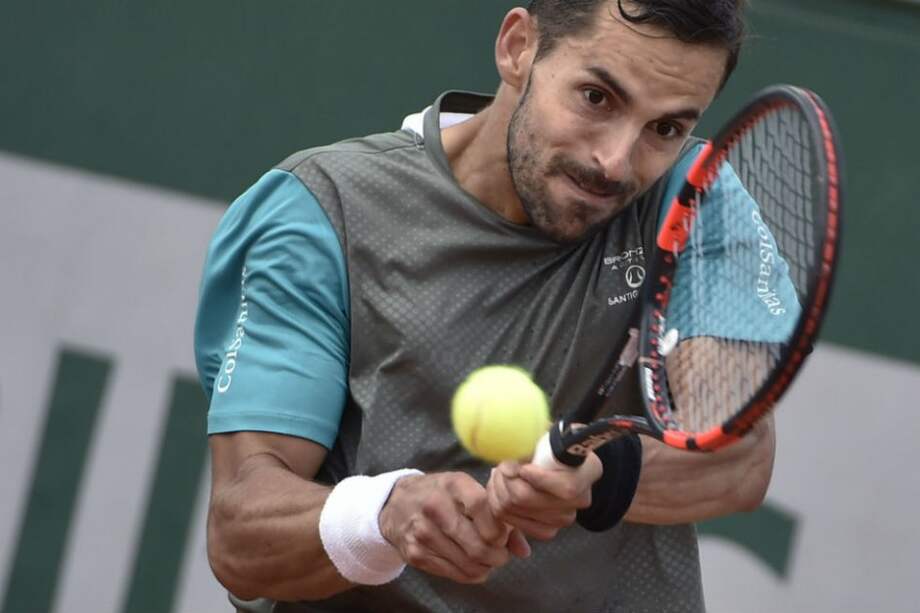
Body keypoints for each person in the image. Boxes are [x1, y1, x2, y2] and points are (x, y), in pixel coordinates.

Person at [194, 1, 776, 611]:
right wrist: (384, 515)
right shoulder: (326, 210)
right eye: (597, 98)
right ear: (518, 47)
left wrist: (597, 477)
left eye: (666, 128)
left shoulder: (692, 200)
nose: (616, 161)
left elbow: (739, 456)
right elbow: (241, 535)